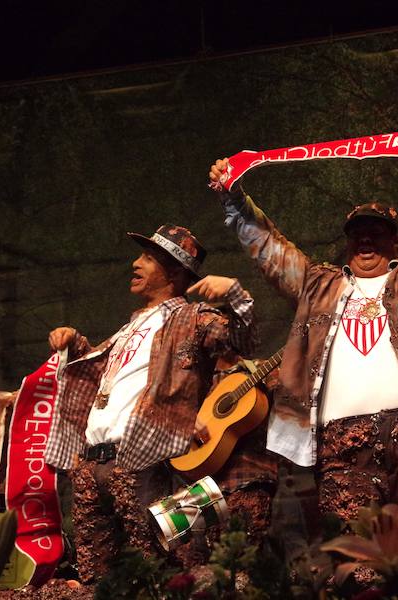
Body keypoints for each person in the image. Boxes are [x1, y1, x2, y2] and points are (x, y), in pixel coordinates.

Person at [208, 158, 398, 523]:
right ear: (348, 240)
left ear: (394, 239)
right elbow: (269, 249)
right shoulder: (318, 285)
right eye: (357, 232)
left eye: (377, 232)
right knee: (355, 562)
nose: (366, 240)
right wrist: (234, 199)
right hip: (343, 445)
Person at [44, 224, 256, 582]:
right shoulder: (130, 326)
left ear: (174, 271)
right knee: (98, 579)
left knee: (161, 572)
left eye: (147, 258)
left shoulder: (193, 318)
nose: (135, 264)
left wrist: (235, 296)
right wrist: (75, 343)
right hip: (94, 465)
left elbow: (241, 342)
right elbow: (110, 374)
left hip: (142, 462)